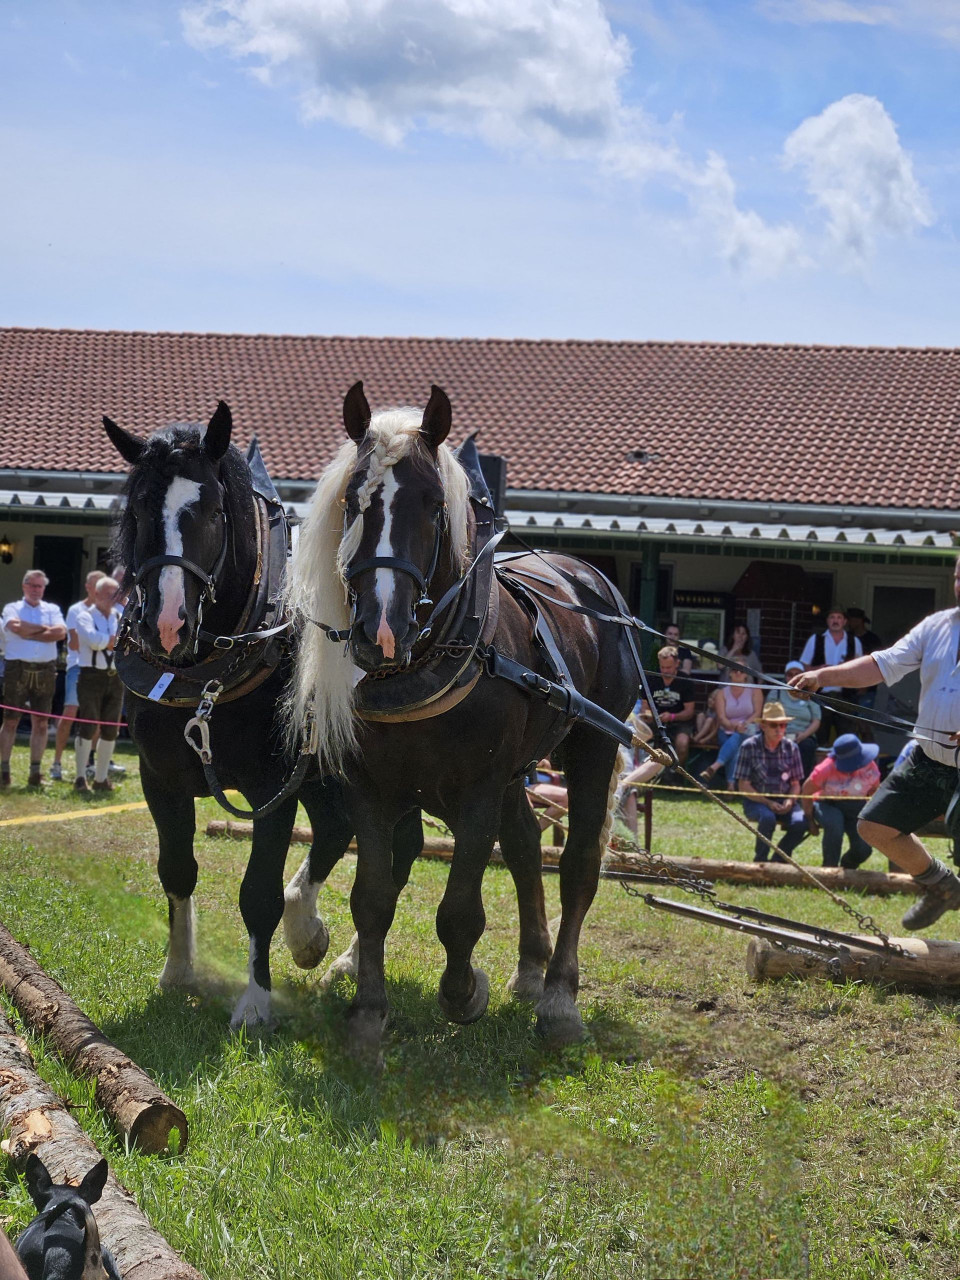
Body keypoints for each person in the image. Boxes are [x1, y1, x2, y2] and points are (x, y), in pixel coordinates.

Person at [789, 556, 960, 930]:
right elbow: (882, 664)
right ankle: (943, 886)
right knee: (874, 827)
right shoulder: (937, 626)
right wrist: (822, 676)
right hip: (930, 758)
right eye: (959, 577)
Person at [0, 570, 66, 787]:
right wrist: (45, 630)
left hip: (46, 669)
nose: (36, 590)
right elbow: (14, 628)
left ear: (44, 589)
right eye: (32, 586)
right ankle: (4, 771)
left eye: (40, 586)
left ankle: (35, 773)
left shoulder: (52, 609)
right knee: (10, 720)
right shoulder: (12, 608)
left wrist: (28, 630)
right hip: (16, 668)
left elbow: (60, 633)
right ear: (24, 586)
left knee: (41, 723)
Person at [731, 701, 807, 863]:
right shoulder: (748, 746)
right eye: (774, 725)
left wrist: (789, 800)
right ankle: (760, 861)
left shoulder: (792, 748)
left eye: (783, 725)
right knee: (767, 818)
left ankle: (778, 860)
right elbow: (743, 786)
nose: (779, 729)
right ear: (763, 726)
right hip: (756, 801)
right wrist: (767, 802)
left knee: (801, 822)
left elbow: (796, 784)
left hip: (784, 799)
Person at [50, 569, 104, 782]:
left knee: (96, 718)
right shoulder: (76, 610)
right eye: (95, 585)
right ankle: (57, 762)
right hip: (78, 667)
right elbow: (73, 643)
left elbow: (114, 642)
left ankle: (89, 763)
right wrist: (101, 640)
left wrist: (93, 639)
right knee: (70, 713)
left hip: (99, 669)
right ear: (88, 587)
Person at [618, 646, 696, 793]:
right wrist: (649, 715)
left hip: (679, 722)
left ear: (677, 664)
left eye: (669, 667)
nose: (665, 671)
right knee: (636, 734)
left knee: (682, 743)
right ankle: (637, 775)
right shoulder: (651, 680)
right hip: (655, 721)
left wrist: (672, 716)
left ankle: (675, 776)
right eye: (662, 667)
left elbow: (689, 712)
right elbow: (645, 707)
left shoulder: (685, 681)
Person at [800, 733, 881, 868]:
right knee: (835, 824)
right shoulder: (825, 768)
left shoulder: (870, 766)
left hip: (856, 806)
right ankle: (829, 868)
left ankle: (847, 866)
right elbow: (806, 791)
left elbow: (874, 790)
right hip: (827, 803)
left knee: (863, 849)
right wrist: (810, 821)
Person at [73, 576, 123, 793]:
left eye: (116, 595)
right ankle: (80, 777)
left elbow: (127, 642)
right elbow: (93, 641)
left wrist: (109, 640)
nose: (113, 599)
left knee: (111, 729)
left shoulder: (120, 616)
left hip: (115, 677)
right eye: (109, 594)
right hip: (91, 677)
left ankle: (101, 778)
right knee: (88, 725)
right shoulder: (84, 616)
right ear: (96, 594)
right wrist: (112, 641)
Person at [800, 606, 862, 743]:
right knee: (820, 738)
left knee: (847, 739)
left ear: (844, 621)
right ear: (827, 621)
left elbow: (860, 668)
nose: (835, 620)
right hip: (821, 696)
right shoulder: (815, 639)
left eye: (839, 617)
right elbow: (804, 667)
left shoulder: (854, 641)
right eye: (832, 617)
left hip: (846, 697)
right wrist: (819, 669)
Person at [700, 665, 762, 782]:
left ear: (746, 674)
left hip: (749, 729)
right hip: (726, 729)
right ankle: (731, 785)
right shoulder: (721, 693)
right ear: (729, 673)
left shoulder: (755, 691)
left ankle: (716, 767)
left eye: (742, 670)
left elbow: (757, 713)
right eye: (734, 670)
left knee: (739, 737)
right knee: (736, 746)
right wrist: (733, 726)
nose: (738, 672)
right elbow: (721, 717)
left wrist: (743, 725)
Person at [770, 660, 822, 776]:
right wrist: (780, 732)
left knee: (806, 746)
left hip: (803, 734)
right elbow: (769, 715)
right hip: (779, 732)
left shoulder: (810, 694)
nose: (793, 677)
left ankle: (800, 783)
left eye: (797, 674)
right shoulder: (776, 692)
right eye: (790, 674)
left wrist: (804, 735)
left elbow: (816, 720)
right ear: (785, 676)